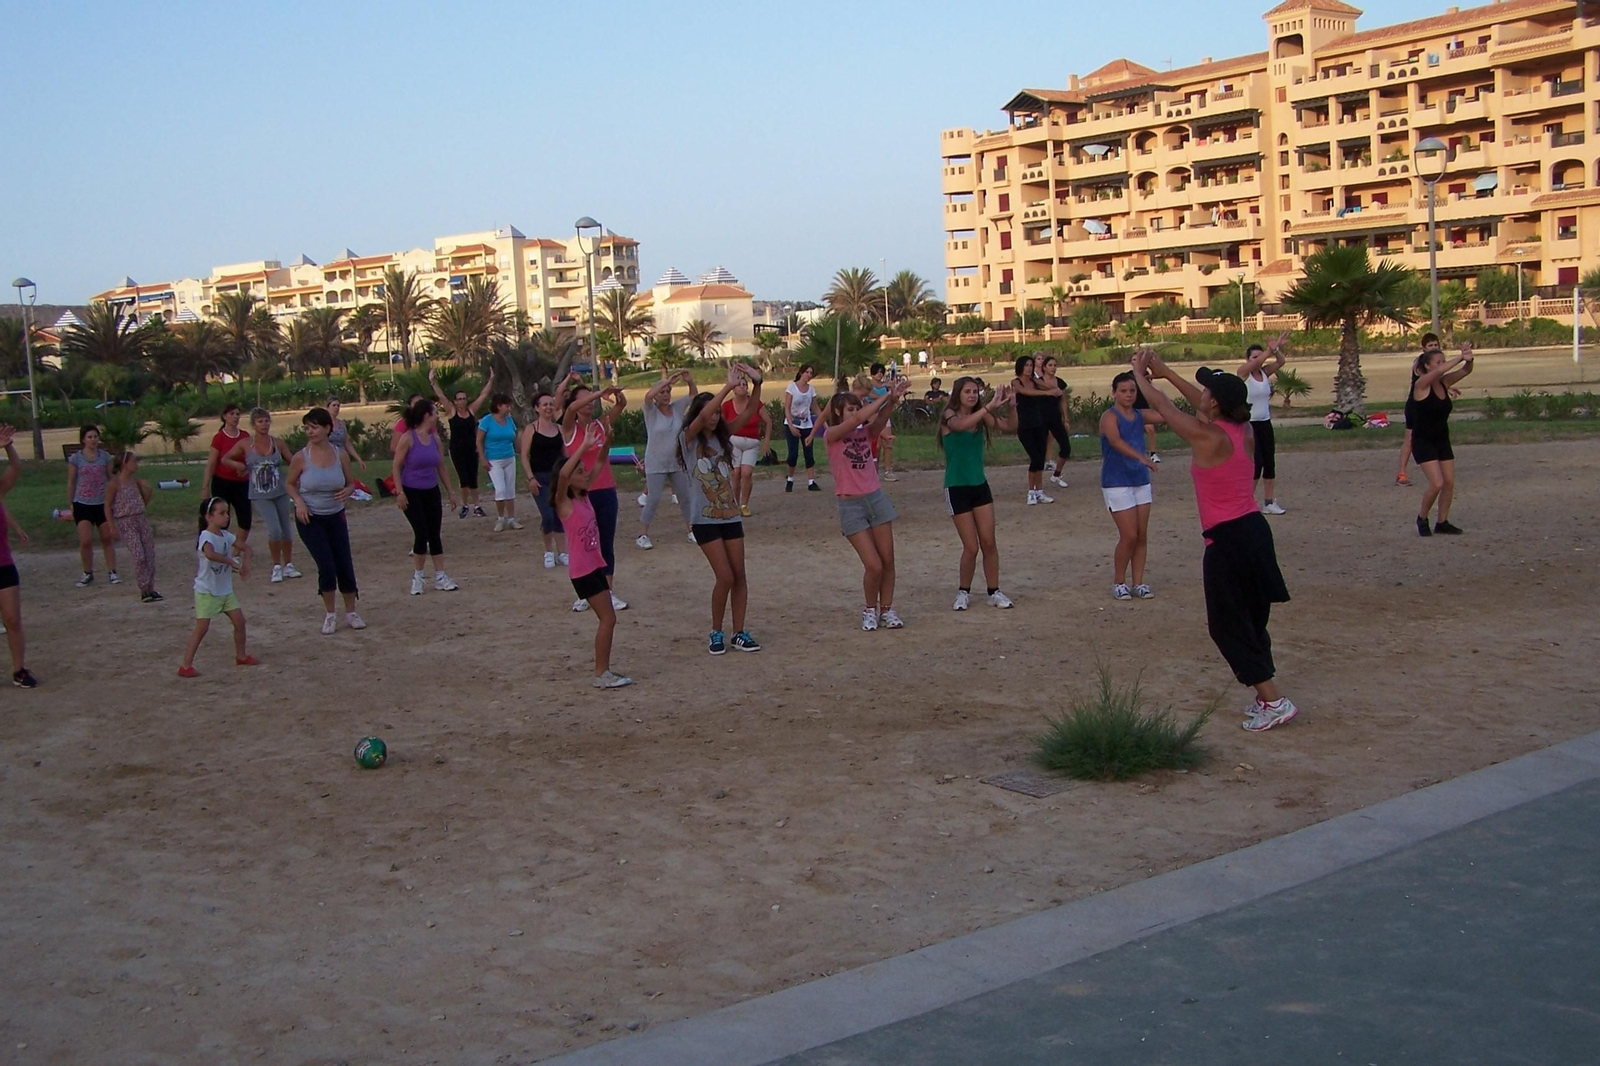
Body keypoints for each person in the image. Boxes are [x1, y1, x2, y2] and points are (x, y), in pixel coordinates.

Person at [1130, 348, 1298, 732]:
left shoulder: (1208, 437)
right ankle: (1265, 696)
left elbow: (1164, 408)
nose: (1200, 393)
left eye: (1207, 391)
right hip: (1255, 532)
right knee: (1252, 620)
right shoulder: (1244, 430)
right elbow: (1195, 403)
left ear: (1216, 403)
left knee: (1226, 624)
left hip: (1229, 539)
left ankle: (1274, 700)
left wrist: (1141, 375)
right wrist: (1167, 371)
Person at [682, 365, 766, 654]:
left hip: (729, 515)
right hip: (704, 520)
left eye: (718, 411)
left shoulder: (723, 437)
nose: (715, 415)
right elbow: (705, 414)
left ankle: (739, 632)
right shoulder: (688, 440)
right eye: (711, 411)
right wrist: (727, 388)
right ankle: (716, 631)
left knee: (739, 575)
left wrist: (758, 384)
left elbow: (750, 412)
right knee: (725, 577)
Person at [824, 375, 909, 631]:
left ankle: (887, 609)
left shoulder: (864, 432)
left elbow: (878, 422)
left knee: (888, 561)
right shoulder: (832, 434)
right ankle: (869, 609)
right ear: (838, 412)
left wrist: (892, 401)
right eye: (851, 408)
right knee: (873, 565)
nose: (856, 412)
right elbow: (860, 419)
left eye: (857, 407)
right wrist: (884, 396)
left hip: (875, 498)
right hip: (851, 506)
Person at [557, 423, 632, 688]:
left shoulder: (585, 496)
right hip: (583, 572)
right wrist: (582, 447)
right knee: (608, 619)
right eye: (580, 471)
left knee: (608, 618)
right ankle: (602, 673)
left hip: (594, 567)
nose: (584, 473)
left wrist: (607, 441)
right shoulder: (564, 503)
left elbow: (600, 462)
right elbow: (564, 474)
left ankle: (604, 671)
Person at [938, 377, 1017, 611]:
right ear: (958, 394)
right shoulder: (949, 415)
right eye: (967, 392)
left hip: (979, 485)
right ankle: (963, 591)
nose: (972, 395)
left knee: (989, 542)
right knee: (971, 546)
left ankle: (994, 591)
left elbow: (1010, 427)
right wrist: (988, 407)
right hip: (956, 487)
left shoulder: (982, 415)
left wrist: (1012, 405)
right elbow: (960, 426)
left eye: (975, 391)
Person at [285, 407, 364, 634]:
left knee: (344, 565)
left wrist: (348, 491)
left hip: (335, 516)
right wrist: (299, 502)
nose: (310, 432)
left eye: (315, 427)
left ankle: (351, 612)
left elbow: (351, 482)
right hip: (310, 518)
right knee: (326, 566)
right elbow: (289, 484)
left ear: (327, 428)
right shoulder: (301, 457)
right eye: (307, 428)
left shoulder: (340, 454)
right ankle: (330, 614)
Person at [558, 375, 628, 612]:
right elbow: (570, 409)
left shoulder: (600, 424)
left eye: (592, 399)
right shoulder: (570, 428)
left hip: (605, 488)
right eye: (585, 398)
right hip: (579, 494)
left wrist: (618, 394)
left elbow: (621, 405)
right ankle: (584, 592)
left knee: (605, 542)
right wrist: (598, 392)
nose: (589, 403)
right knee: (582, 542)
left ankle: (608, 590)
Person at [178, 496, 258, 678]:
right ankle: (186, 665)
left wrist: (246, 564)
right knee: (202, 628)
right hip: (207, 591)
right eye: (221, 513)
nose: (226, 517)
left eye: (227, 513)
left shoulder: (226, 536)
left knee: (240, 622)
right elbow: (210, 554)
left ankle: (241, 655)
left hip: (224, 590)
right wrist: (231, 562)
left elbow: (247, 548)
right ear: (209, 517)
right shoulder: (206, 536)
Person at [1099, 372, 1161, 600]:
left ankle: (1139, 582)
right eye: (1123, 391)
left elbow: (1165, 413)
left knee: (1142, 534)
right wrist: (1142, 458)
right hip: (1116, 482)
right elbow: (1115, 441)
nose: (1128, 395)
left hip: (1140, 480)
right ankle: (1119, 581)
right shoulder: (1109, 417)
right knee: (1129, 535)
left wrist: (1150, 388)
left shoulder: (1140, 414)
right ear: (1114, 392)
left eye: (1132, 390)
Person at [222, 408, 302, 584]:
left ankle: (288, 564)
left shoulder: (277, 443)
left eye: (266, 421)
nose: (264, 424)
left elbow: (293, 461)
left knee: (286, 529)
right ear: (253, 424)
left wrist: (297, 477)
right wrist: (240, 467)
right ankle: (276, 566)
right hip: (260, 494)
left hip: (280, 492)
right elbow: (225, 458)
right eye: (260, 421)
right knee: (274, 530)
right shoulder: (245, 444)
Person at [392, 398, 460, 593]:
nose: (437, 416)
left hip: (431, 490)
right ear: (426, 416)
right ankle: (418, 577)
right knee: (421, 533)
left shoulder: (435, 439)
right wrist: (400, 493)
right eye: (435, 412)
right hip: (411, 491)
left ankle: (440, 576)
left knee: (434, 534)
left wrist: (450, 492)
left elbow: (441, 466)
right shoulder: (408, 438)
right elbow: (396, 466)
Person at [1409, 340, 1474, 536]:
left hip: (1441, 438)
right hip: (1423, 441)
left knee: (1449, 482)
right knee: (1436, 483)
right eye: (1437, 362)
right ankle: (1422, 517)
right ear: (1427, 366)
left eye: (1442, 361)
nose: (1441, 365)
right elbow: (1439, 372)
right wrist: (1459, 357)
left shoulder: (1444, 384)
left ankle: (1442, 522)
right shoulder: (1420, 385)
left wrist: (1468, 358)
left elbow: (1465, 371)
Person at [637, 370, 695, 549]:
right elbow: (648, 396)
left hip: (676, 462)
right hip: (656, 462)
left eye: (668, 391)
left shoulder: (677, 408)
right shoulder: (651, 410)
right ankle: (643, 535)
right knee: (653, 499)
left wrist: (690, 381)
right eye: (662, 392)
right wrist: (666, 381)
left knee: (685, 497)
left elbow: (693, 396)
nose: (666, 395)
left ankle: (691, 530)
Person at [0, 425, 37, 687]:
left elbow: (15, 468)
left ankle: (19, 669)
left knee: (13, 619)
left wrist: (7, 446)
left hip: (3, 563)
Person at [431, 368, 494, 518]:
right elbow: (441, 396)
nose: (462, 401)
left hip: (472, 449)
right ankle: (465, 505)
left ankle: (477, 505)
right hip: (457, 449)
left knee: (473, 477)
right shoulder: (452, 411)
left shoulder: (471, 410)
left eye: (464, 398)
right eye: (459, 399)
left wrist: (491, 379)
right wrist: (433, 382)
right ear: (455, 401)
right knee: (463, 478)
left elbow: (483, 395)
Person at [1238, 334, 1289, 514]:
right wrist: (1268, 350)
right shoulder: (1243, 373)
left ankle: (1268, 502)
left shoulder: (1264, 373)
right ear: (1248, 359)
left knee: (1269, 462)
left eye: (1260, 356)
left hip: (1264, 422)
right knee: (1255, 463)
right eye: (1254, 357)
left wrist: (1275, 349)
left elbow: (1281, 361)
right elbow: (1254, 364)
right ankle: (1247, 502)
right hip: (1249, 425)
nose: (1258, 360)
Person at [66, 423, 119, 587]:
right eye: (89, 437)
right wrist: (71, 504)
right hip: (82, 503)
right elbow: (71, 481)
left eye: (95, 436)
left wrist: (115, 499)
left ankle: (112, 571)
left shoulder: (105, 457)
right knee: (86, 540)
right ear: (83, 439)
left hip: (102, 503)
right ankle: (87, 572)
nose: (93, 440)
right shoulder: (76, 458)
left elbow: (112, 478)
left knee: (106, 538)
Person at [520, 391, 568, 569]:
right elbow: (524, 455)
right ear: (537, 408)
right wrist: (530, 477)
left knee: (559, 514)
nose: (548, 407)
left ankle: (562, 552)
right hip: (539, 478)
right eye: (544, 404)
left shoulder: (559, 429)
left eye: (550, 404)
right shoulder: (531, 429)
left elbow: (565, 454)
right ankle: (548, 551)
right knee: (547, 515)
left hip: (558, 478)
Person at [109, 451, 161, 603]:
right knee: (139, 555)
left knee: (149, 553)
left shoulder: (135, 482)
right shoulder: (114, 484)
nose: (136, 465)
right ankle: (143, 588)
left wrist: (148, 490)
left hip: (140, 519)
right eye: (133, 462)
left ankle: (151, 588)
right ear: (124, 464)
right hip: (126, 521)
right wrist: (111, 526)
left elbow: (143, 503)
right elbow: (107, 505)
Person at [1012, 355, 1062, 504]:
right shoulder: (1016, 382)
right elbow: (1025, 392)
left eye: (1030, 365)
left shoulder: (1035, 381)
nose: (1028, 368)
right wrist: (1046, 393)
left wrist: (1054, 389)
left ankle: (1039, 491)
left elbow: (1054, 387)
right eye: (1026, 365)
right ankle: (1030, 492)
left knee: (1040, 460)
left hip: (1039, 424)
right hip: (1025, 426)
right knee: (1034, 458)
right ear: (1020, 367)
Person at [202, 403, 252, 550]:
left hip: (242, 484)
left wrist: (245, 469)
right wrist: (205, 486)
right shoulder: (219, 438)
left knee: (245, 520)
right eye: (232, 414)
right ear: (224, 416)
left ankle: (236, 551)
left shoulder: (245, 436)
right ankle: (219, 548)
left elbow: (251, 459)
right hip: (222, 482)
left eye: (237, 414)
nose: (235, 417)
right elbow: (211, 463)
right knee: (222, 518)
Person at [1396, 332, 1442, 487]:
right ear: (1423, 348)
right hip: (1415, 406)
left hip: (1429, 405)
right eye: (1430, 345)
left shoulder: (1438, 363)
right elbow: (1427, 376)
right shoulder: (1420, 363)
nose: (1433, 347)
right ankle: (1401, 473)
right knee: (1410, 439)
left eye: (1435, 345)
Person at [722, 371, 771, 516]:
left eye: (745, 384)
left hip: (751, 442)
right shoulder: (727, 406)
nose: (742, 387)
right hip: (734, 442)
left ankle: (744, 504)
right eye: (739, 385)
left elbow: (768, 421)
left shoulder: (755, 404)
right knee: (735, 473)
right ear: (733, 389)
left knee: (746, 473)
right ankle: (735, 503)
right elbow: (721, 424)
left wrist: (766, 440)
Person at [477, 393, 523, 531]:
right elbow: (479, 440)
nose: (509, 408)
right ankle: (500, 518)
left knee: (510, 490)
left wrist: (520, 450)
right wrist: (483, 458)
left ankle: (511, 518)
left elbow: (514, 436)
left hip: (509, 457)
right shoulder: (487, 421)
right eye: (506, 405)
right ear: (499, 406)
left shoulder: (509, 420)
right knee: (500, 489)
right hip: (493, 459)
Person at [783, 365, 823, 492]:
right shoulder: (792, 387)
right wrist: (790, 425)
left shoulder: (811, 389)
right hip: (792, 424)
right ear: (801, 372)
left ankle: (811, 482)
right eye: (807, 372)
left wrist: (824, 423)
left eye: (811, 373)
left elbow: (815, 407)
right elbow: (787, 408)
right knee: (793, 454)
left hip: (806, 424)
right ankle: (790, 479)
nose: (809, 375)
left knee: (808, 454)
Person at [1038, 354, 1073, 489]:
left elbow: (1063, 401)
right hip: (1041, 419)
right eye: (1050, 365)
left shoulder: (1060, 382)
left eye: (1055, 365)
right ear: (1044, 368)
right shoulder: (1038, 382)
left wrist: (1066, 418)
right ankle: (1037, 483)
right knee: (1040, 451)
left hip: (1055, 419)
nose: (1053, 368)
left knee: (1065, 448)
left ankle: (1056, 474)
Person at [867, 363, 899, 481]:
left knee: (888, 443)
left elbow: (893, 397)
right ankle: (873, 471)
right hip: (873, 417)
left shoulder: (885, 387)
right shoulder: (869, 385)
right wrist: (885, 392)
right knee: (877, 445)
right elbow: (871, 395)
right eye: (877, 372)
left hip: (884, 416)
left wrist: (892, 388)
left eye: (881, 372)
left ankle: (888, 470)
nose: (880, 374)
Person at [325, 396, 368, 471]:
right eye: (334, 405)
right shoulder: (323, 424)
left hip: (342, 458)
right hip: (328, 458)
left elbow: (347, 443)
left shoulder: (341, 423)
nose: (336, 408)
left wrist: (358, 459)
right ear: (328, 407)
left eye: (338, 406)